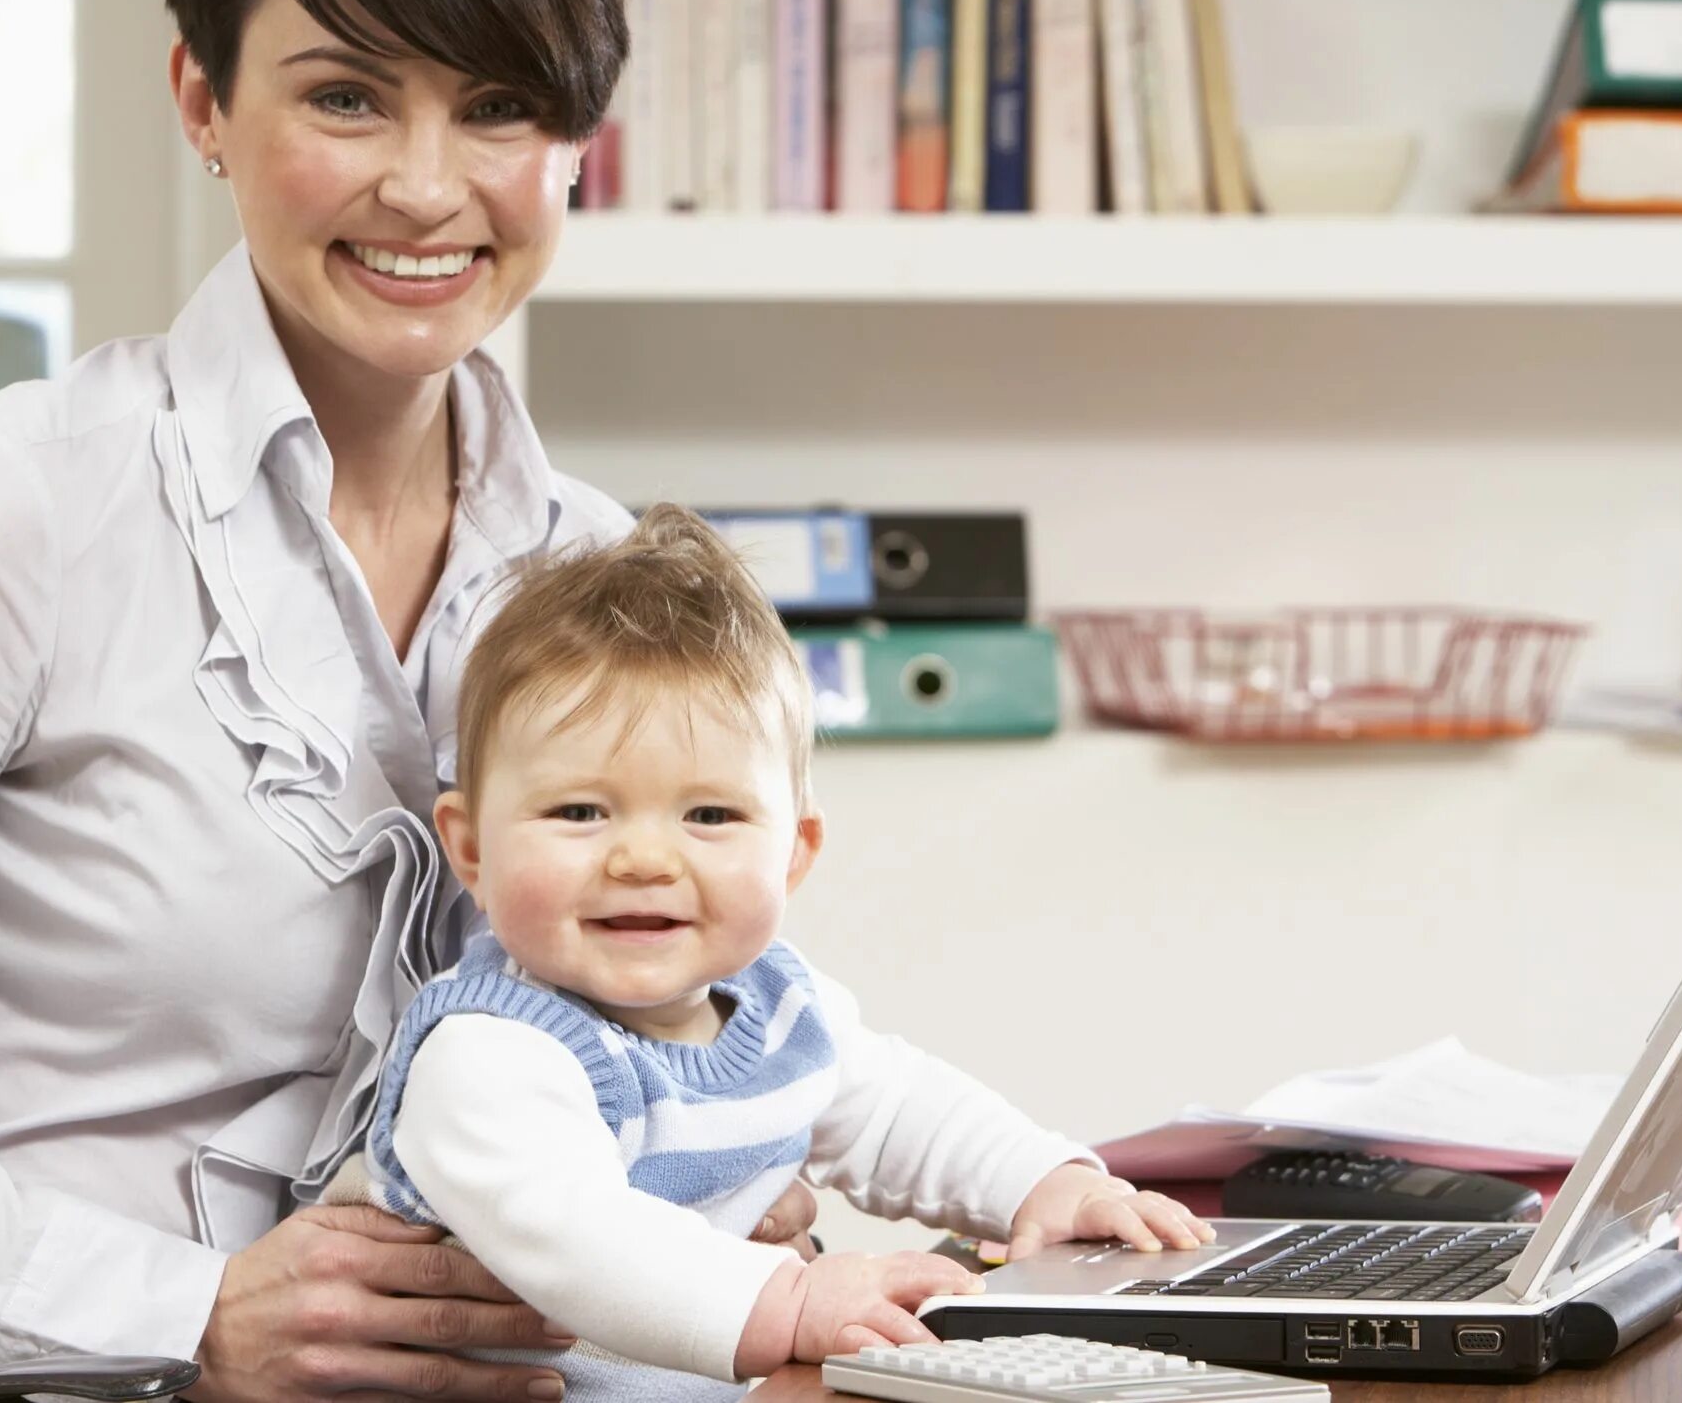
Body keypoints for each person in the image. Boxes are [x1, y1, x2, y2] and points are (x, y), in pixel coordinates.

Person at [0, 0, 816, 1403]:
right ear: (204, 100)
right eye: (346, 97)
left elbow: (674, 1014)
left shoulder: (601, 575)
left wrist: (716, 1182)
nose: (427, 185)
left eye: (498, 106)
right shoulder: (9, 508)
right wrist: (184, 1304)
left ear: (574, 144)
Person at [320, 506, 1214, 1398]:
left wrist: (1039, 1182)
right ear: (471, 848)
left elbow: (901, 1110)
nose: (642, 858)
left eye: (708, 814)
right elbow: (581, 1240)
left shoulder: (783, 1009)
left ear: (795, 850)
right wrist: (795, 1298)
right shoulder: (488, 1051)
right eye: (579, 811)